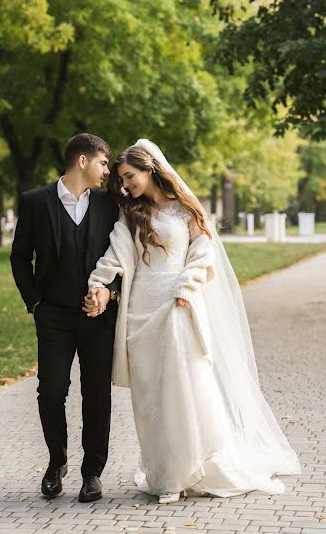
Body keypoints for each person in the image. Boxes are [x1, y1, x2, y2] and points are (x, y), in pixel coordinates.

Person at [84, 139, 300, 504]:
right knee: (150, 396)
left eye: (130, 176)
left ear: (150, 169)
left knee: (181, 389)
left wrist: (187, 285)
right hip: (140, 313)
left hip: (178, 306)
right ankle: (164, 472)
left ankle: (187, 470)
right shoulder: (129, 214)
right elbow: (116, 253)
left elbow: (203, 251)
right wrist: (98, 283)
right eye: (121, 179)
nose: (126, 185)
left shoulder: (184, 210)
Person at [10, 133, 121, 502]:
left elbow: (123, 261)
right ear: (83, 162)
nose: (108, 171)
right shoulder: (35, 202)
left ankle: (92, 473)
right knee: (51, 391)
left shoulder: (109, 206)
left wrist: (110, 293)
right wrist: (35, 304)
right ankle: (56, 462)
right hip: (53, 316)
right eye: (104, 163)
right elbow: (19, 257)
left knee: (96, 395)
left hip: (98, 317)